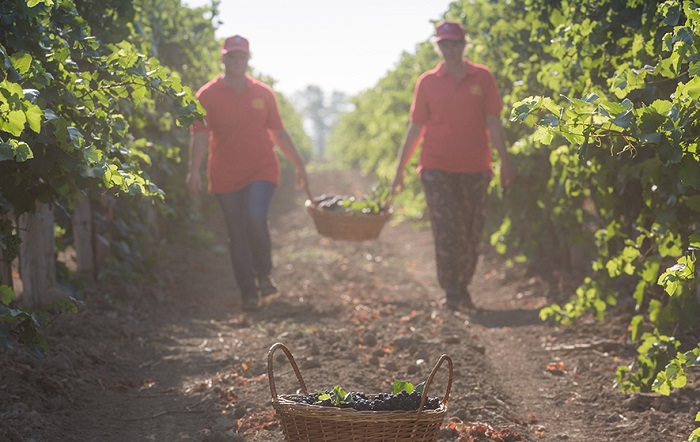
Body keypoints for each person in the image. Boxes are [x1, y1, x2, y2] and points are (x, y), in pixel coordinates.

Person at [392, 21, 514, 312]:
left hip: (476, 168)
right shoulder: (428, 82)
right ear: (439, 46)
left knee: (471, 231)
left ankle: (463, 285)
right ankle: (451, 289)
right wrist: (399, 169)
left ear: (464, 45)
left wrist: (505, 162)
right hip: (436, 168)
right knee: (446, 228)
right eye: (445, 44)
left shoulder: (482, 78)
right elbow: (415, 127)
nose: (450, 49)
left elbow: (493, 122)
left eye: (455, 43)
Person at [187, 35, 309, 311]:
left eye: (242, 57)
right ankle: (248, 293)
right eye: (232, 57)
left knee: (255, 216)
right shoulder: (206, 95)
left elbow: (278, 132)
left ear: (248, 60)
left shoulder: (263, 93)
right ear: (224, 59)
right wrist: (193, 171)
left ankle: (264, 275)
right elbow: (200, 137)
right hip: (225, 173)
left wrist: (299, 163)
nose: (237, 62)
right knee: (236, 232)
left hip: (261, 169)